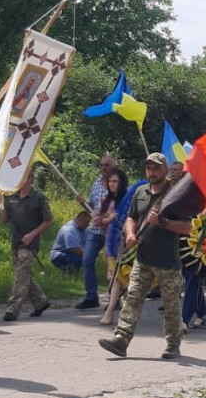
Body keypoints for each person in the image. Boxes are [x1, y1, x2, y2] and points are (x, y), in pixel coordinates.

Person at [99, 154, 191, 359]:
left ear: (165, 170)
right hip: (143, 259)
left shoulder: (176, 195)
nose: (152, 172)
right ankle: (121, 340)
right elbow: (131, 217)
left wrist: (163, 223)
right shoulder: (140, 191)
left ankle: (173, 345)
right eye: (149, 168)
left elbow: (188, 228)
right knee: (132, 298)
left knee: (171, 305)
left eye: (156, 168)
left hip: (167, 261)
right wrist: (130, 233)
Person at [0, 171, 54, 321]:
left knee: (19, 278)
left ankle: (12, 309)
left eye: (23, 178)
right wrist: (1, 203)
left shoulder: (39, 198)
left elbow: (49, 221)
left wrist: (32, 235)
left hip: (29, 244)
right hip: (16, 243)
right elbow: (4, 219)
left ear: (30, 179)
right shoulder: (13, 198)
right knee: (25, 275)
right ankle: (41, 302)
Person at [76, 153, 117, 309]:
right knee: (87, 260)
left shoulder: (119, 184)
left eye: (107, 165)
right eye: (101, 165)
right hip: (95, 229)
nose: (103, 168)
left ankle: (115, 298)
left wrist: (113, 216)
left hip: (112, 230)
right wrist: (83, 203)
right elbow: (92, 207)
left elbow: (124, 205)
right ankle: (91, 297)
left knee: (113, 265)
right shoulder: (96, 183)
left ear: (114, 167)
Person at [97, 169, 131, 326]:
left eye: (115, 181)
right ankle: (111, 311)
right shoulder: (105, 200)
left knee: (128, 280)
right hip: (111, 247)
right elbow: (96, 220)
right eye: (110, 181)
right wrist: (107, 219)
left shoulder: (130, 198)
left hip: (129, 247)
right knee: (115, 278)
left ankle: (120, 309)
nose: (112, 184)